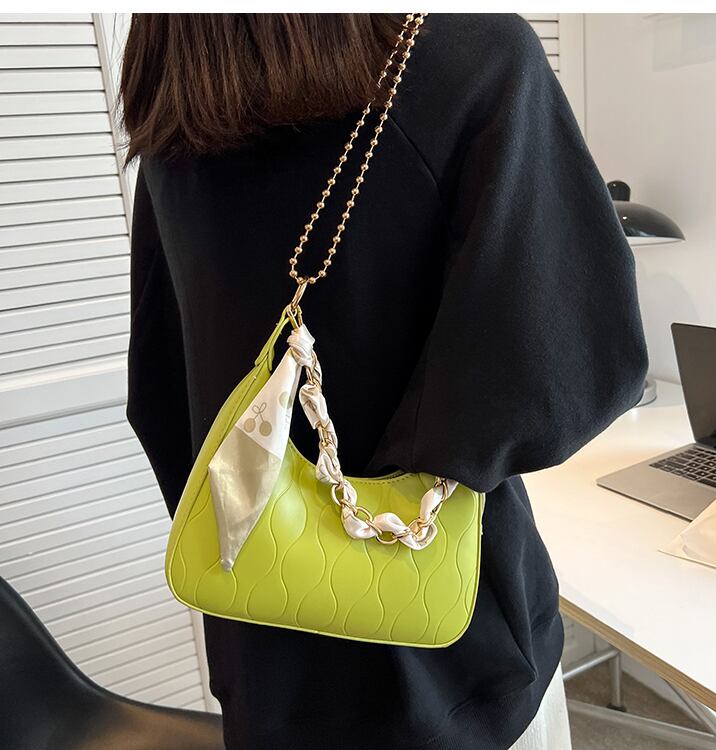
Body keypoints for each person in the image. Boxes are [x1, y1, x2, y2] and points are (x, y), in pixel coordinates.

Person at [123, 13, 648, 750]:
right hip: (456, 665)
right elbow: (574, 359)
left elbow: (158, 394)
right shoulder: (470, 56)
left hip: (265, 655)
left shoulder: (176, 106)